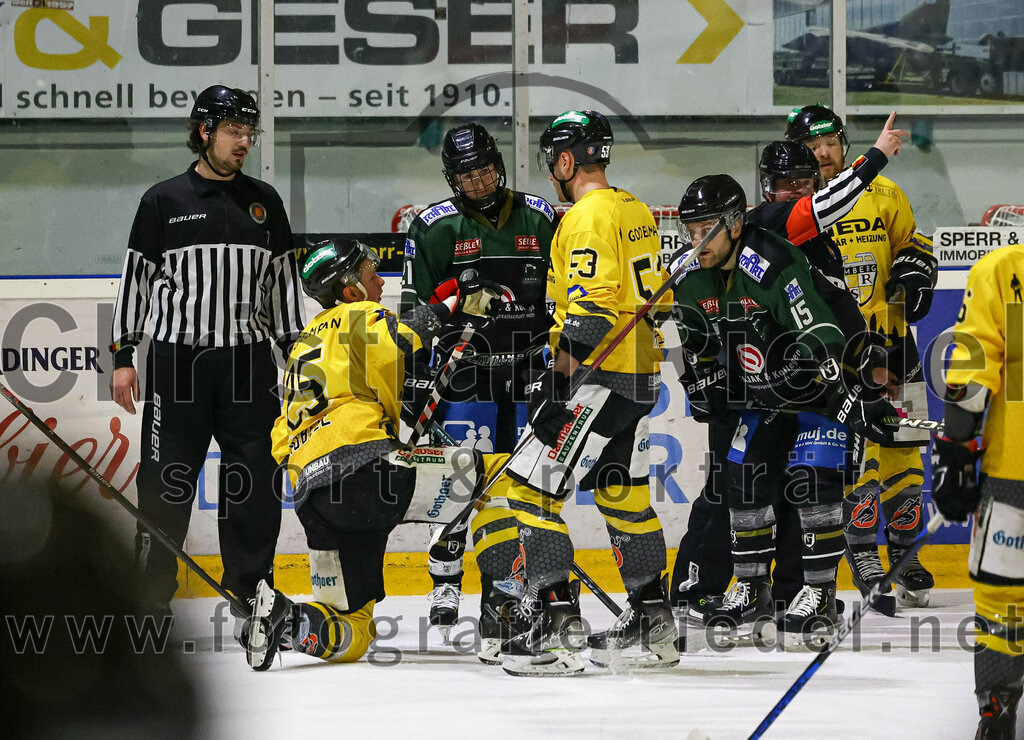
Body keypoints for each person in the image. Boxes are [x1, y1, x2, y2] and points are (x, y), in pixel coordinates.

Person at [671, 116, 908, 625]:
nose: (696, 242)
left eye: (704, 230)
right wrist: (702, 381)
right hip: (763, 392)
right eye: (690, 231)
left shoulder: (773, 259)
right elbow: (694, 341)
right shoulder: (691, 275)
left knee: (813, 482)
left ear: (735, 223)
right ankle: (752, 589)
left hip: (817, 380)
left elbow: (821, 332)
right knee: (742, 478)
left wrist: (847, 396)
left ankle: (818, 594)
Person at [246, 240, 508, 670]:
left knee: (354, 630)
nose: (380, 283)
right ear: (350, 291)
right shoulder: (358, 315)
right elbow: (399, 339)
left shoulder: (301, 349)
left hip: (314, 500)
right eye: (371, 276)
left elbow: (283, 435)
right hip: (366, 476)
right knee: (499, 477)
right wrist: (455, 306)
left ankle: (286, 619)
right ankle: (508, 615)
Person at [109, 85, 305, 621]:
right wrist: (125, 353)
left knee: (254, 484)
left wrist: (299, 356)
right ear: (204, 132)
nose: (244, 142)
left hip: (248, 365)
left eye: (249, 132)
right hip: (179, 366)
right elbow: (137, 281)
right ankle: (150, 597)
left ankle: (251, 592)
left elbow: (284, 286)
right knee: (165, 484)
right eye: (234, 131)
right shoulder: (163, 201)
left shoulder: (266, 202)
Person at [498, 110, 676, 676]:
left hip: (595, 380)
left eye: (553, 158)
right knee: (621, 494)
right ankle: (655, 622)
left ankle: (557, 627)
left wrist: (556, 385)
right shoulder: (635, 209)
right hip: (639, 378)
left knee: (531, 490)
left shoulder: (586, 217)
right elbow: (663, 303)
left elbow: (593, 314)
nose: (551, 170)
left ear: (567, 160)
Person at [399, 123, 557, 658]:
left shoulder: (541, 214)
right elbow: (415, 316)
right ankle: (445, 575)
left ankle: (515, 583)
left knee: (523, 484)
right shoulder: (433, 226)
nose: (480, 180)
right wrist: (417, 381)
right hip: (466, 371)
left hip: (529, 372)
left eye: (486, 168)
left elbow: (561, 296)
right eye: (468, 174)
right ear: (452, 178)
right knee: (461, 481)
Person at [786, 104, 938, 608]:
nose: (824, 153)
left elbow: (913, 243)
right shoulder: (797, 210)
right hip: (843, 350)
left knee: (908, 450)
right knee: (858, 461)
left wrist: (915, 273)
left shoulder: (885, 193)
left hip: (895, 342)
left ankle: (905, 553)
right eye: (813, 146)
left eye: (831, 142)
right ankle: (864, 555)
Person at [932, 241, 1024, 739]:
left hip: (1017, 472)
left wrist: (956, 452)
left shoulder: (1003, 269)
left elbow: (970, 370)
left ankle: (999, 708)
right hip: (1014, 468)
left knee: (1004, 600)